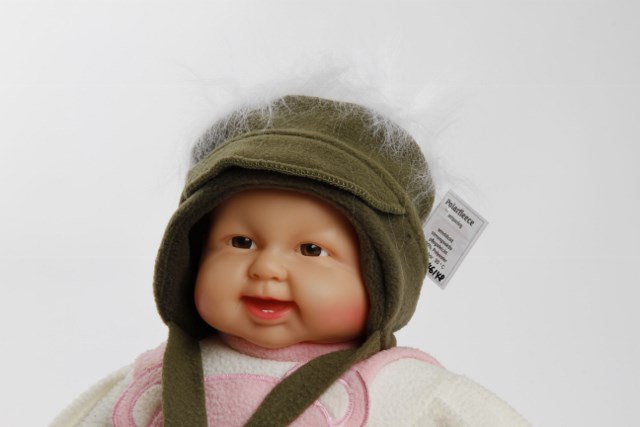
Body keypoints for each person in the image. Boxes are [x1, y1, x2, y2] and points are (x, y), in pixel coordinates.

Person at [52, 95, 529, 426]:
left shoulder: (402, 391)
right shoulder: (155, 379)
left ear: (383, 279)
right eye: (241, 242)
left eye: (311, 250)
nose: (266, 268)